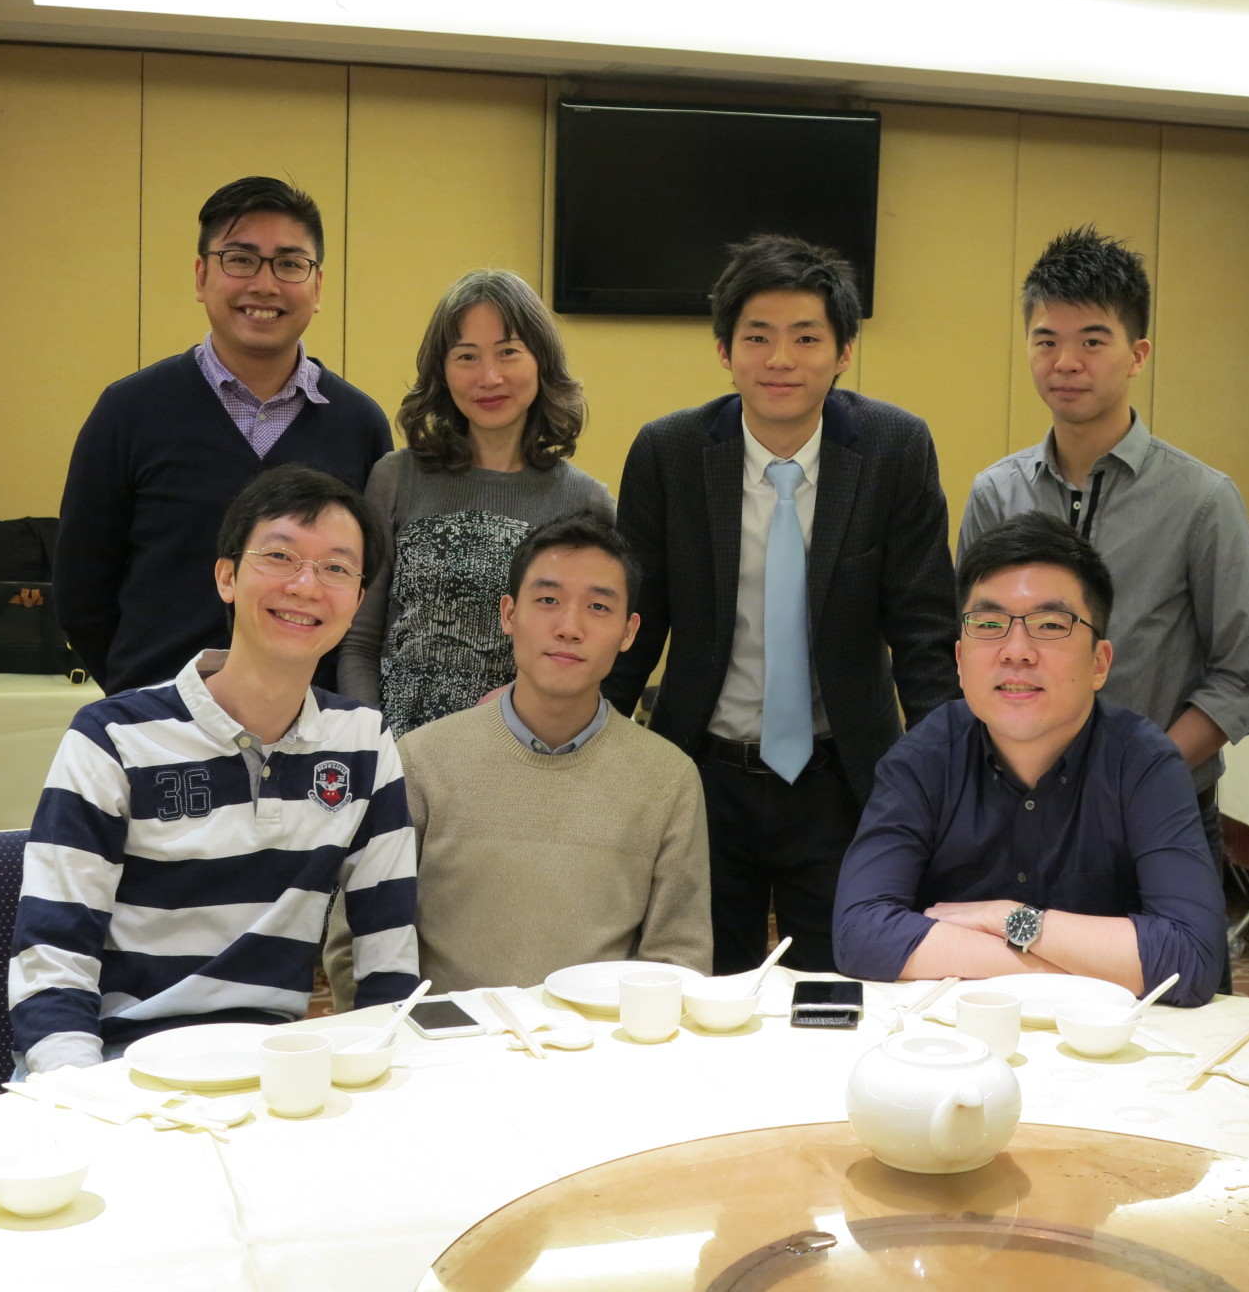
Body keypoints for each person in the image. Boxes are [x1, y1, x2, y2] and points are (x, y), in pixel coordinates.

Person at [603, 235, 959, 976]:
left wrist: (945, 783)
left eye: (806, 338)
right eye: (757, 337)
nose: (780, 360)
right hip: (702, 775)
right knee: (702, 990)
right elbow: (634, 625)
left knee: (835, 994)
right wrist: (582, 743)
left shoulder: (894, 450)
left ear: (844, 351)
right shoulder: (669, 453)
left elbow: (925, 634)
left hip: (844, 778)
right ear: (724, 350)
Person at [9, 466, 420, 1075]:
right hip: (117, 1063)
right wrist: (86, 1095)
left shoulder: (362, 740)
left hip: (267, 1066)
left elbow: (388, 955)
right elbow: (52, 958)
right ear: (226, 576)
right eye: (280, 556)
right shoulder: (113, 737)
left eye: (336, 568)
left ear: (358, 601)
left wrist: (382, 1068)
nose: (306, 585)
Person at [957, 226, 1249, 878]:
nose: (1066, 362)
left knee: (1165, 953)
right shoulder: (995, 493)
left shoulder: (1202, 499)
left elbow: (1241, 679)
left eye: (1093, 341)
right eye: (1046, 340)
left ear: (1137, 355)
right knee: (1016, 949)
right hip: (1016, 809)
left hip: (1158, 812)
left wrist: (1134, 776)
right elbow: (970, 644)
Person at [832, 513, 1225, 1003]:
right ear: (960, 660)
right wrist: (1086, 963)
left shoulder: (1145, 764)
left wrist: (1006, 918)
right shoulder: (922, 759)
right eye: (989, 624)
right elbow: (860, 934)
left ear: (1099, 662)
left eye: (1050, 625)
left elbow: (1192, 958)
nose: (1016, 652)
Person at [329, 512, 711, 997]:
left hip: (598, 1040)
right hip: (449, 1039)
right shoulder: (421, 761)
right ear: (508, 614)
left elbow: (679, 959)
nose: (569, 627)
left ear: (629, 632)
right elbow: (357, 946)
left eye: (598, 606)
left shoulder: (667, 778)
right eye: (548, 600)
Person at [55, 177, 392, 693]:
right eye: (240, 259)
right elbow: (81, 591)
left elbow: (366, 592)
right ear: (201, 276)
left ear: (317, 286)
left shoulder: (359, 424)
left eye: (289, 263)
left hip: (310, 718)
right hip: (158, 714)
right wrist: (142, 697)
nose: (265, 284)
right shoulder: (128, 411)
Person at [338, 270, 612, 737]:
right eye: (466, 356)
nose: (489, 377)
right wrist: (372, 747)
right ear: (442, 372)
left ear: (541, 361)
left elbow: (588, 655)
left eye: (508, 352)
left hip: (524, 749)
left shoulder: (587, 502)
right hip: (398, 750)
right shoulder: (395, 477)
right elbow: (359, 641)